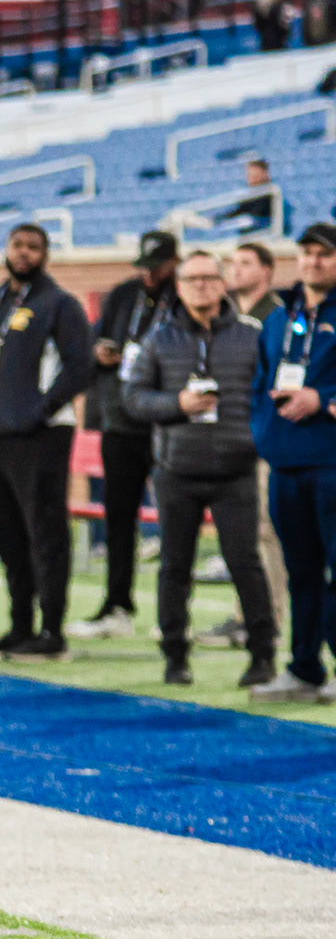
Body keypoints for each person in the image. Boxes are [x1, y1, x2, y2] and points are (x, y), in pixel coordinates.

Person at [121, 251, 275, 687]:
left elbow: (270, 393)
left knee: (246, 564)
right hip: (177, 469)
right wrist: (177, 404)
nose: (202, 285)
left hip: (236, 469)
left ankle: (262, 656)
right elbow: (133, 398)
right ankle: (175, 657)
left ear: (223, 284)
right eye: (192, 279)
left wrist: (255, 438)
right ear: (180, 286)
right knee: (175, 566)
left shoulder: (252, 336)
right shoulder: (159, 339)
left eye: (209, 277)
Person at [0, 223, 93, 662]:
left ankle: (51, 631)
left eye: (33, 247)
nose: (24, 253)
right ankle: (20, 626)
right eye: (17, 245)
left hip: (40, 436)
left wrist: (39, 410)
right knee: (7, 534)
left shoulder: (61, 305)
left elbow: (81, 366)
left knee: (45, 532)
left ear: (45, 254)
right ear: (6, 249)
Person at [69, 230, 177, 640]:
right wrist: (101, 354)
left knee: (175, 520)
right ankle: (117, 606)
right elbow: (94, 343)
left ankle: (173, 615)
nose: (149, 276)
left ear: (174, 263)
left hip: (167, 423)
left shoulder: (182, 297)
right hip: (121, 422)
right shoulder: (123, 295)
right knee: (118, 518)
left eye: (157, 268)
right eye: (145, 268)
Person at [250, 223, 336, 703]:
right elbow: (260, 383)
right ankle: (304, 668)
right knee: (300, 572)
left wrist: (321, 398)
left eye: (324, 254)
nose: (313, 261)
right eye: (306, 252)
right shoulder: (279, 319)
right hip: (285, 465)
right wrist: (263, 433)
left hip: (331, 463)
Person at [205, 240, 290, 648]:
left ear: (267, 271)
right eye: (232, 263)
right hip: (233, 435)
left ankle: (265, 618)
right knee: (243, 530)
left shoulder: (277, 317)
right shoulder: (228, 317)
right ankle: (247, 615)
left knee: (264, 530)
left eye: (245, 263)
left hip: (266, 437)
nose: (234, 270)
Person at [218, 159, 280, 235]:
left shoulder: (273, 195)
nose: (252, 179)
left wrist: (250, 221)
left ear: (265, 174)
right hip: (248, 237)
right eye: (250, 176)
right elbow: (237, 212)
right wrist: (217, 219)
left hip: (265, 236)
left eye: (256, 175)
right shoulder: (249, 199)